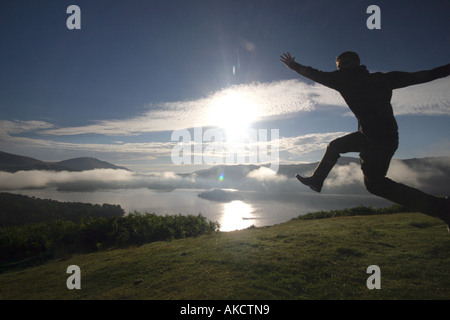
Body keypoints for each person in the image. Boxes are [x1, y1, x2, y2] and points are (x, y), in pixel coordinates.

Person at [280, 51, 450, 231]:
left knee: (375, 185)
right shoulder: (345, 80)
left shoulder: (377, 79)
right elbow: (316, 74)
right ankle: (316, 180)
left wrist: (294, 66)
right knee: (339, 150)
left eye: (346, 63)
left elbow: (423, 76)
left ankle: (441, 208)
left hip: (383, 139)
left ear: (356, 63)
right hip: (368, 136)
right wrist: (294, 66)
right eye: (340, 66)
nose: (343, 67)